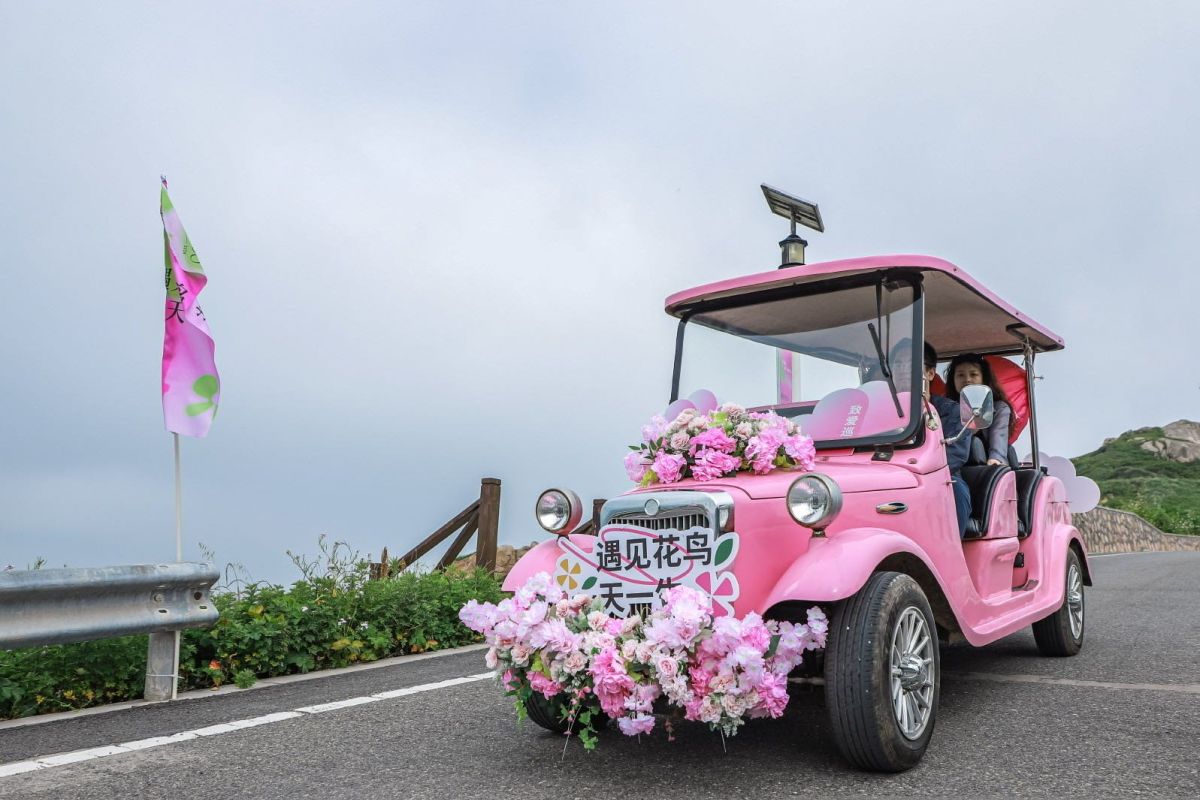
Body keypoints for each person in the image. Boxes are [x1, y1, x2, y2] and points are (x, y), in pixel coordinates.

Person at [923, 344, 972, 538]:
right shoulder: (884, 410)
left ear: (930, 373)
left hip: (942, 475)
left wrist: (923, 473)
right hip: (895, 478)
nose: (903, 371)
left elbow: (957, 452)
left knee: (956, 490)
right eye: (898, 365)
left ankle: (951, 556)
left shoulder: (954, 410)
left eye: (909, 365)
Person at [943, 353, 1015, 467]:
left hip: (985, 467)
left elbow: (998, 436)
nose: (967, 379)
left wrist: (996, 458)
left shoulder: (999, 408)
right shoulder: (945, 407)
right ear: (953, 380)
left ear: (984, 379)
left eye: (973, 374)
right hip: (950, 464)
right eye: (960, 375)